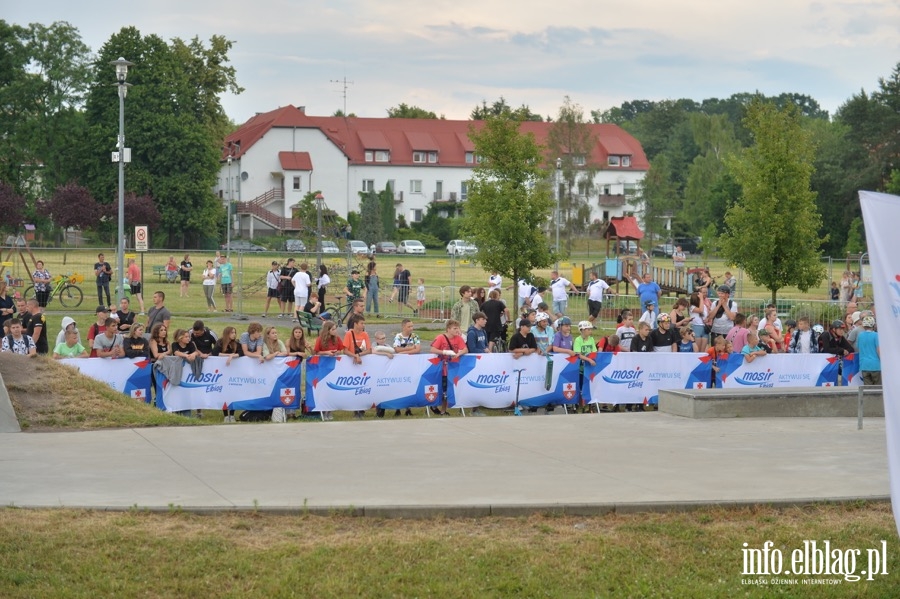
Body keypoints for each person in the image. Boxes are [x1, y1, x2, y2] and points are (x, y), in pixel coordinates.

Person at [429, 319, 468, 415]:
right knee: (441, 387)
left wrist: (459, 354)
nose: (457, 330)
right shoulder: (441, 337)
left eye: (458, 328)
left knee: (448, 388)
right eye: (455, 328)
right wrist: (444, 352)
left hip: (452, 367)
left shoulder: (458, 338)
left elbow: (465, 349)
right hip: (441, 367)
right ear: (448, 329)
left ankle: (443, 410)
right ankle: (434, 405)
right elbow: (433, 349)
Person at [343, 314, 372, 419]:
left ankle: (361, 409)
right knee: (353, 387)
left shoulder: (365, 334)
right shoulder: (349, 334)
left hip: (362, 363)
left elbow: (369, 349)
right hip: (351, 364)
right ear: (355, 324)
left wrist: (359, 355)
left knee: (363, 387)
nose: (363, 325)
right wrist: (354, 356)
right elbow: (345, 350)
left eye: (363, 323)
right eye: (361, 323)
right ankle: (355, 409)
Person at [856, 316, 880, 385]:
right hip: (876, 366)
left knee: (868, 389)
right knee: (878, 389)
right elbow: (878, 350)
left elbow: (859, 349)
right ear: (873, 325)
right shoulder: (876, 335)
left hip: (864, 365)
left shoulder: (860, 335)